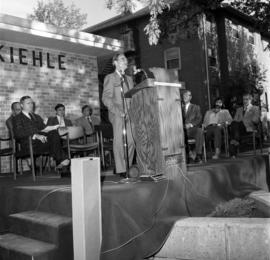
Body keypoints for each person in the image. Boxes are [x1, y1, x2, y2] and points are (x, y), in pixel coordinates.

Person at [13, 96, 70, 169]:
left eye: (32, 103)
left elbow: (44, 128)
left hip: (41, 142)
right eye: (28, 103)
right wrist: (35, 135)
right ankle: (63, 160)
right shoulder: (17, 118)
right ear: (22, 105)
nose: (31, 105)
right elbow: (18, 134)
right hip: (28, 144)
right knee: (54, 140)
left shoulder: (36, 117)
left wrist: (54, 127)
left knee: (54, 133)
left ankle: (61, 160)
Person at [102, 53, 135, 176]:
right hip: (116, 113)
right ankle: (122, 169)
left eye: (126, 59)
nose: (126, 61)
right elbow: (106, 98)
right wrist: (118, 111)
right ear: (115, 62)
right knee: (120, 141)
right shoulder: (110, 77)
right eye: (122, 59)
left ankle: (128, 166)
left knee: (131, 141)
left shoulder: (129, 79)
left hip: (130, 113)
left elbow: (133, 97)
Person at [229, 93, 260, 157]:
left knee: (235, 126)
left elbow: (256, 120)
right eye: (243, 99)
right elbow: (235, 120)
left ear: (250, 100)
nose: (245, 101)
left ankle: (233, 148)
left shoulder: (255, 108)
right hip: (239, 128)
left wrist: (251, 118)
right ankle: (236, 141)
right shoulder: (239, 109)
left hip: (248, 127)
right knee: (234, 123)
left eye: (247, 99)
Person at [182, 90, 203, 163]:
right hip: (181, 130)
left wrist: (190, 124)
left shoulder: (196, 107)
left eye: (186, 95)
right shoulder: (178, 107)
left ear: (190, 97)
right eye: (183, 95)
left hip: (191, 129)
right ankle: (187, 155)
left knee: (199, 131)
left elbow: (199, 118)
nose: (184, 96)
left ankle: (198, 155)